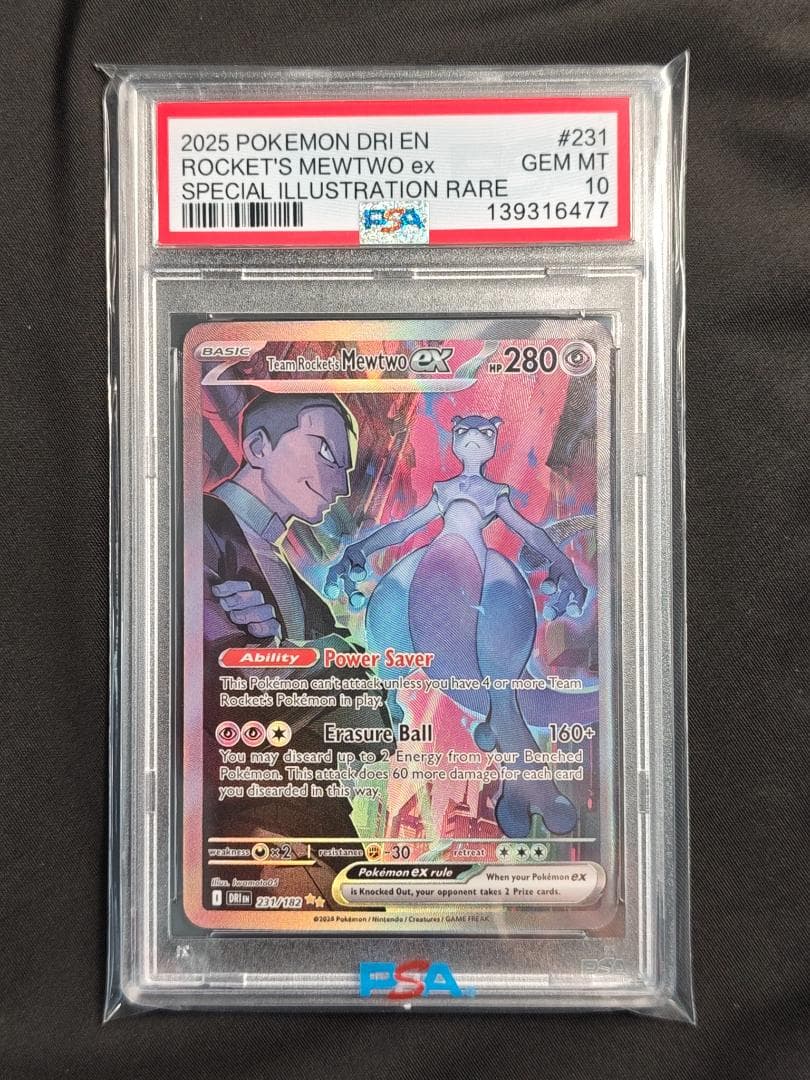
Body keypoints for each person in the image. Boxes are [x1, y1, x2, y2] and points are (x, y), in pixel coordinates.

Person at [202, 392, 387, 896]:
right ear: (258, 447)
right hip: (248, 822)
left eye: (346, 468)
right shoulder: (195, 529)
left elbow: (370, 732)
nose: (340, 485)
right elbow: (221, 677)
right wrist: (330, 659)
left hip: (320, 821)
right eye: (325, 451)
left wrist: (295, 655)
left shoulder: (307, 599)